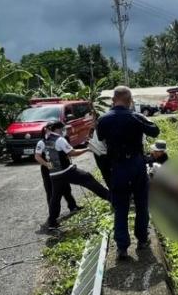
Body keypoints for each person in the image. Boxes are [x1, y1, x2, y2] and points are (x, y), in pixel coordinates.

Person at [96, 86, 160, 259]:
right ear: (130, 100)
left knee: (121, 206)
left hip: (117, 166)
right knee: (141, 204)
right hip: (137, 164)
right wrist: (139, 117)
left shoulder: (103, 119)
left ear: (113, 100)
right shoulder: (136, 116)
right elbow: (155, 131)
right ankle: (142, 240)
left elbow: (100, 139)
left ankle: (122, 248)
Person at [34, 121, 110, 231]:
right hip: (66, 171)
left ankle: (52, 222)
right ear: (57, 129)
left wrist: (46, 165)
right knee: (88, 178)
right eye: (62, 129)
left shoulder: (42, 141)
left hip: (54, 174)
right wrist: (87, 149)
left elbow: (37, 156)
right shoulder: (59, 139)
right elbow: (72, 152)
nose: (63, 131)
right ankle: (112, 198)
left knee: (55, 197)